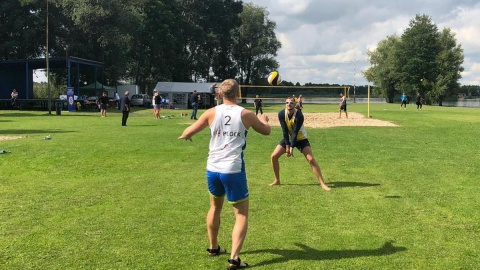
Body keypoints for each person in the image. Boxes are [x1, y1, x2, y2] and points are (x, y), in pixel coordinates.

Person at [179, 79, 271, 270]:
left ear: (220, 94)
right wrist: (264, 120)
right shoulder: (246, 114)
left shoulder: (211, 112)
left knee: (215, 207)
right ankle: (234, 259)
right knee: (241, 214)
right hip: (233, 169)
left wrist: (186, 135)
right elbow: (266, 131)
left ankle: (213, 248)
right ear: (238, 93)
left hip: (213, 168)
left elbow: (189, 131)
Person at [270, 96, 331, 191]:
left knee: (311, 159)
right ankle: (277, 180)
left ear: (295, 104)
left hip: (301, 139)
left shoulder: (299, 115)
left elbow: (295, 132)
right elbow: (285, 131)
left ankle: (322, 183)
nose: (289, 104)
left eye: (291, 103)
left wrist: (291, 148)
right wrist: (287, 146)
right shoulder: (281, 114)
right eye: (287, 103)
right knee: (273, 156)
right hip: (289, 138)